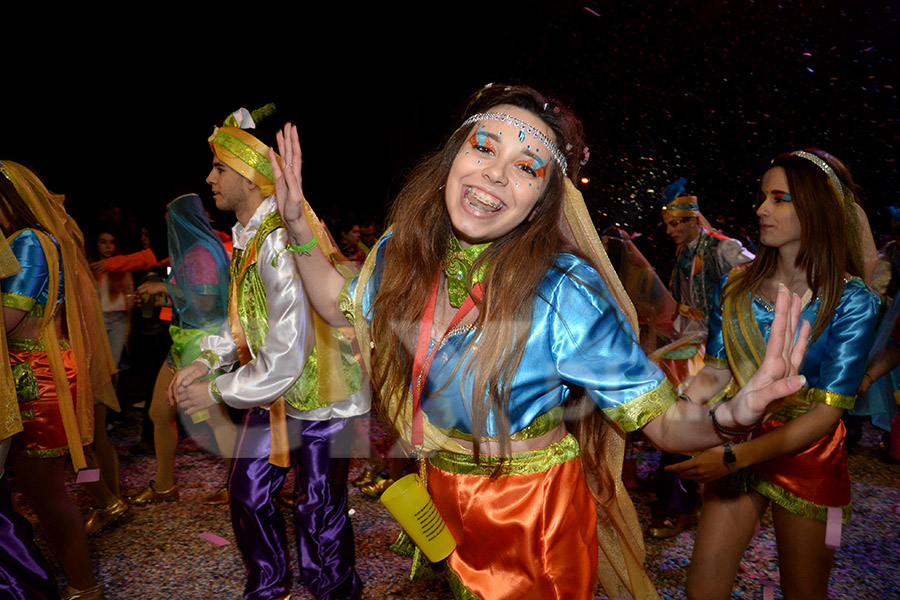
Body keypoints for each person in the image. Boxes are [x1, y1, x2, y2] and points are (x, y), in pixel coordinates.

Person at [270, 84, 811, 600]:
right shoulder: (404, 253)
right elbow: (340, 302)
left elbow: (663, 423)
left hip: (532, 514)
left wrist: (733, 416)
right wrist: (297, 224)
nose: (495, 175)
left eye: (526, 167)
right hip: (441, 489)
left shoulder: (564, 289)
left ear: (542, 201)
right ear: (451, 159)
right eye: (484, 147)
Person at [171, 107, 369, 600]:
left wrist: (214, 387)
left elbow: (286, 351)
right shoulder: (251, 236)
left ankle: (335, 592)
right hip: (276, 392)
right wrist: (207, 359)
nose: (209, 178)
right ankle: (268, 587)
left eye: (220, 169)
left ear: (252, 177)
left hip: (321, 393)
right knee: (247, 492)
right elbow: (245, 317)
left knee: (317, 506)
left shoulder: (280, 239)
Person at [668, 149, 880, 600]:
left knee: (805, 592)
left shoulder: (852, 301)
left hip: (808, 452)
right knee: (702, 590)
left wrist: (730, 458)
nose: (762, 209)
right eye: (763, 197)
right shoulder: (737, 284)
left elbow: (825, 417)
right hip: (739, 436)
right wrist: (677, 415)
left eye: (780, 198)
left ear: (819, 207)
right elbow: (717, 374)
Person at [1, 160, 117, 600]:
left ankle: (84, 586)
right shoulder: (37, 238)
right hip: (37, 373)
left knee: (46, 491)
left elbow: (8, 318)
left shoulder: (28, 241)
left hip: (36, 381)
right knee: (44, 488)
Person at [649, 180, 756, 538]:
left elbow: (759, 272)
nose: (672, 230)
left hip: (719, 351)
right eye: (668, 224)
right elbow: (684, 306)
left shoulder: (721, 249)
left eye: (678, 223)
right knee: (676, 418)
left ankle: (692, 508)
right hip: (690, 345)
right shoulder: (683, 252)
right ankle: (679, 500)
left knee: (697, 423)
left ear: (695, 219)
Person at [125, 193, 237, 506]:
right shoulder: (192, 249)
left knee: (216, 421)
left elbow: (205, 301)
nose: (165, 219)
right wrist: (164, 296)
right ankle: (164, 486)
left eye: (168, 213)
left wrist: (164, 288)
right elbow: (193, 299)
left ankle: (239, 488)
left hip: (202, 347)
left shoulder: (201, 251)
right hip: (182, 341)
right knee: (159, 412)